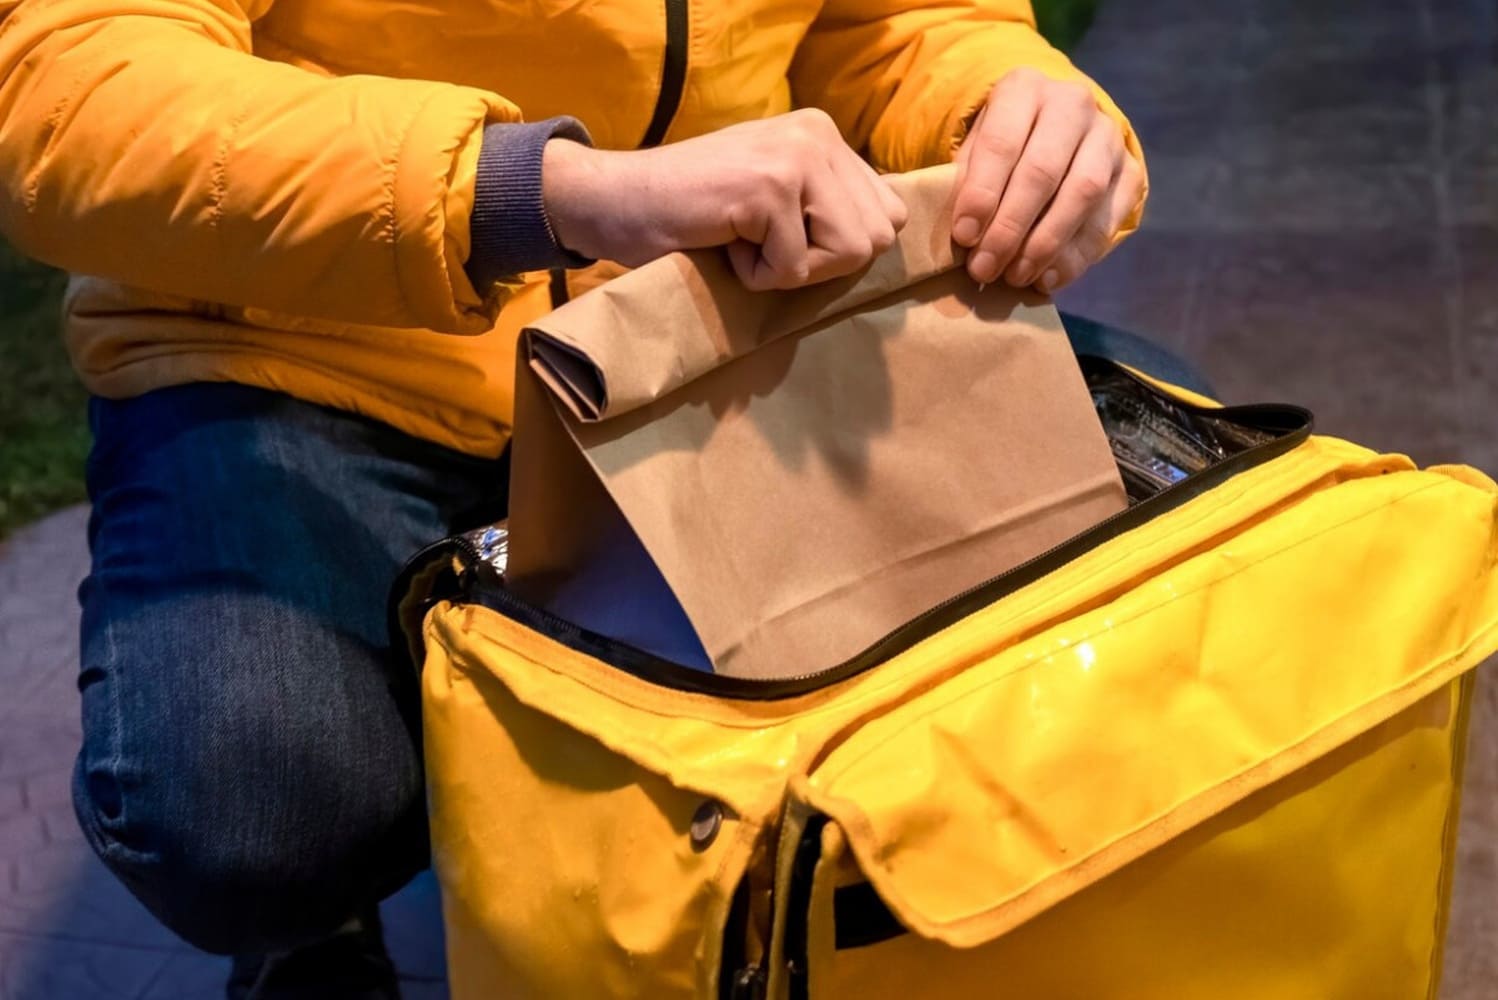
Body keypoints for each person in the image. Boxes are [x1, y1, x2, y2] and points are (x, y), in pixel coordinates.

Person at [0, 0, 1147, 995]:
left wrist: (1005, 101)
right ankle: (319, 921)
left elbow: (899, 24)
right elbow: (66, 84)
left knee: (1127, 550)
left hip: (702, 325)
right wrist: (535, 191)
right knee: (256, 804)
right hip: (303, 348)